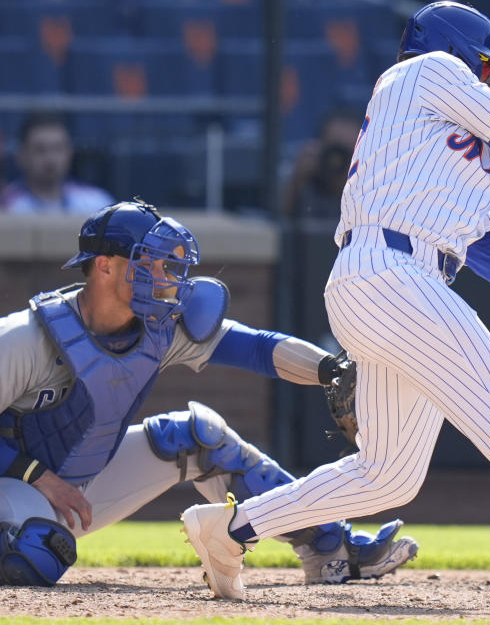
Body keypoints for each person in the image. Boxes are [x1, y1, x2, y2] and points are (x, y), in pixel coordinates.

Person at [181, 1, 490, 611]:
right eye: (482, 63)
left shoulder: (453, 165)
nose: (483, 76)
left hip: (388, 282)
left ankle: (229, 530)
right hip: (390, 273)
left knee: (388, 473)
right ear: (455, 47)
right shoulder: (425, 71)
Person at [0, 200, 417, 587]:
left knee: (197, 437)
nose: (166, 276)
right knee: (35, 555)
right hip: (12, 486)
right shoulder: (26, 338)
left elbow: (256, 347)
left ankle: (333, 550)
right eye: (153, 263)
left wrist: (332, 370)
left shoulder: (158, 327)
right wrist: (36, 476)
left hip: (75, 487)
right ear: (106, 266)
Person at [0, 112, 114, 215]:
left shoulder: (98, 203)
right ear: (21, 156)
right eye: (40, 150)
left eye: (58, 149)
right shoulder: (6, 206)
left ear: (70, 153)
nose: (50, 159)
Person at [280, 108, 363, 219]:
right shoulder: (306, 183)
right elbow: (274, 225)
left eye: (348, 153)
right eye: (335, 151)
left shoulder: (371, 190)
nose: (339, 160)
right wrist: (296, 183)